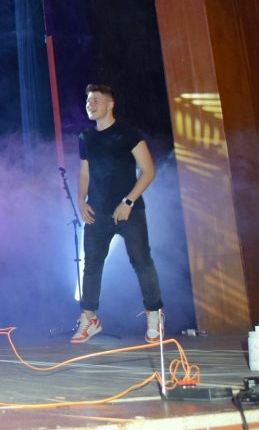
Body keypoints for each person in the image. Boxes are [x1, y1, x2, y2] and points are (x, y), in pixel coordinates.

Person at [70, 84, 163, 344]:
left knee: (141, 261)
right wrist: (81, 200)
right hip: (97, 212)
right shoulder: (86, 137)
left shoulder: (128, 133)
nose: (90, 105)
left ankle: (154, 314)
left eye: (96, 100)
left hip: (129, 211)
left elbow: (148, 171)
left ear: (110, 104)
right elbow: (85, 172)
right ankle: (90, 318)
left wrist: (128, 201)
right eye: (88, 101)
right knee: (92, 265)